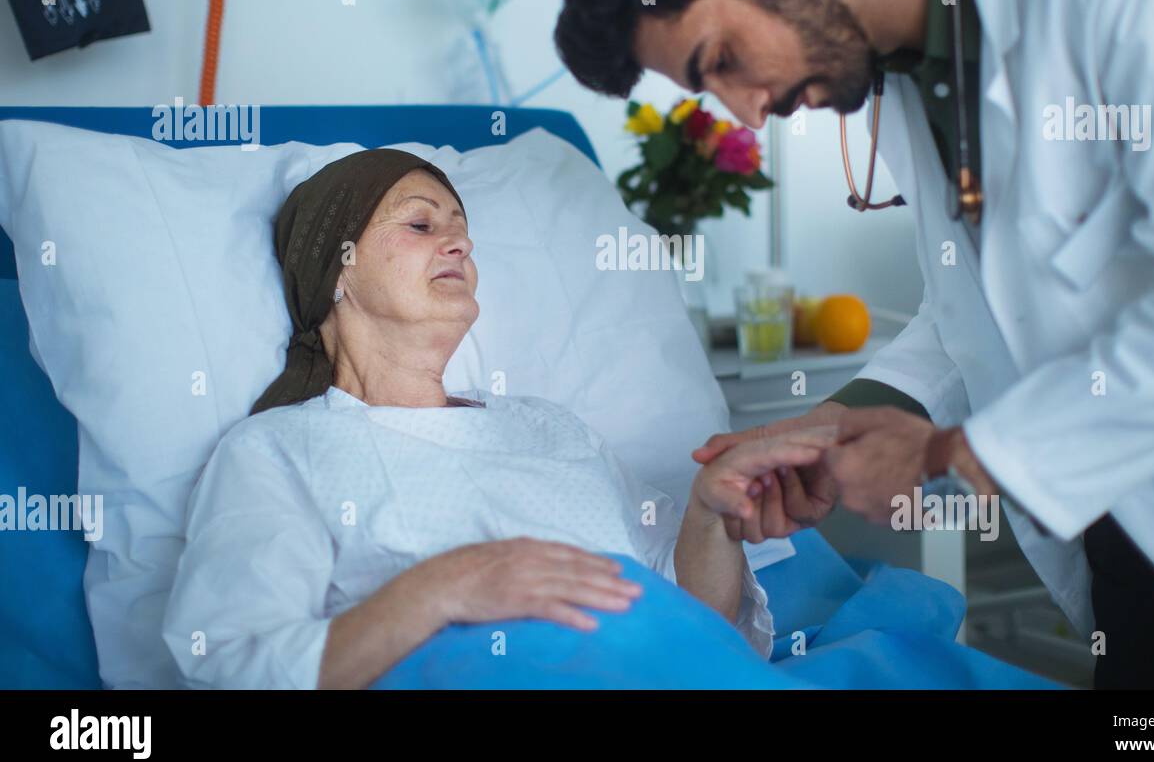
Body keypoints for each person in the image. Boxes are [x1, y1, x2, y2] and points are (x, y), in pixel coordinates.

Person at [554, 0, 1154, 688]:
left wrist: (948, 457)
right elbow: (979, 315)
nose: (747, 114)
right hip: (1137, 541)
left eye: (720, 59)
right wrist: (823, 426)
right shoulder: (907, 68)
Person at [162, 148, 832, 689]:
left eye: (462, 231)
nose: (458, 243)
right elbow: (231, 664)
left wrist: (712, 519)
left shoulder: (552, 429)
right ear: (334, 269)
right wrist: (438, 590)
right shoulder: (278, 449)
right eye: (422, 225)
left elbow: (694, 630)